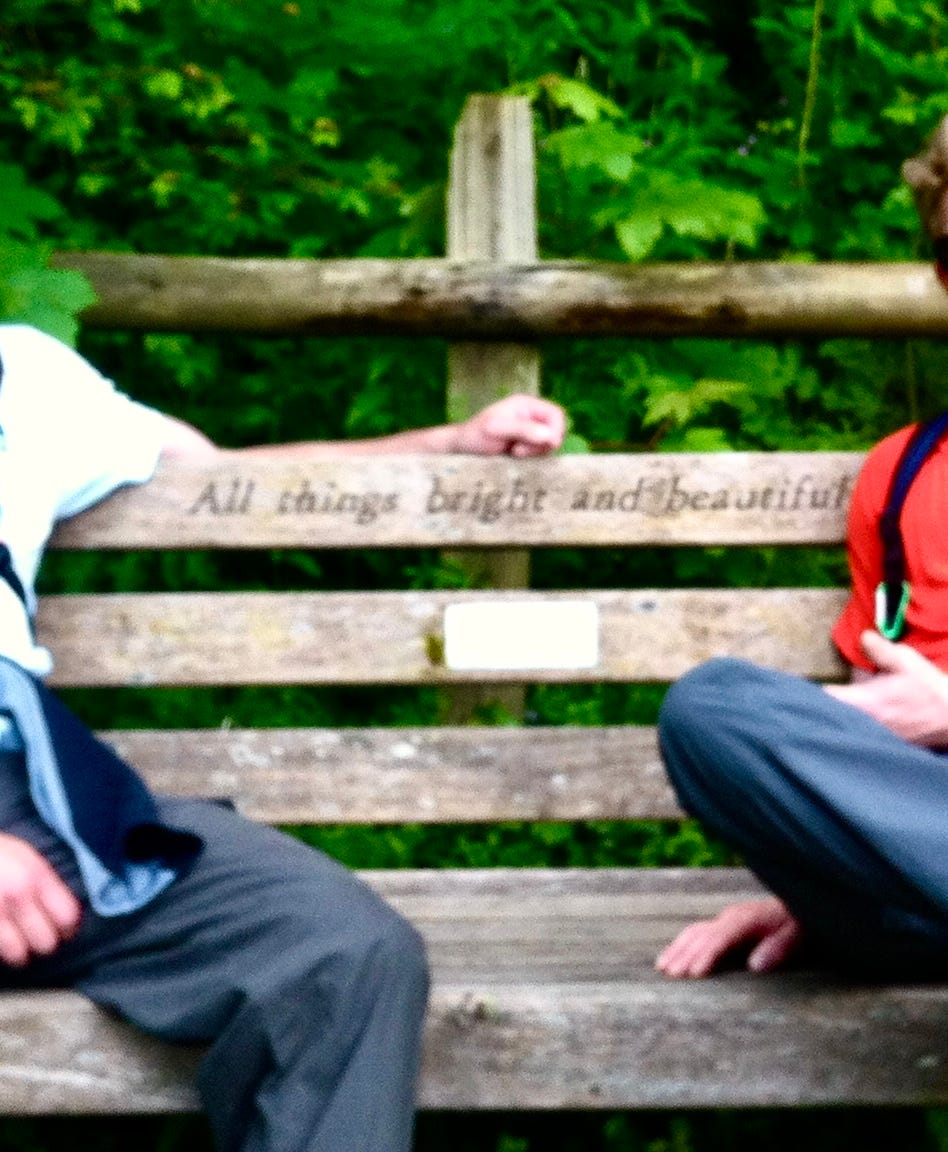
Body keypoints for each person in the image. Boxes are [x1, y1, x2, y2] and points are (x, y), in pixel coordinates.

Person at [0, 320, 566, 1151]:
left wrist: (449, 442)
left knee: (344, 956)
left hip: (40, 808)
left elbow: (221, 473)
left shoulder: (27, 375)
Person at [656, 116, 948, 982]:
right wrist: (810, 885)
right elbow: (876, 736)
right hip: (920, 875)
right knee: (710, 707)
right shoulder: (899, 477)